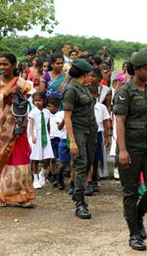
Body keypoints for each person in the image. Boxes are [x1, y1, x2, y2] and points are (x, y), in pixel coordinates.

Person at [113, 49, 147, 251]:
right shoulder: (124, 93)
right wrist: (123, 150)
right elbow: (120, 122)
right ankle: (134, 233)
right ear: (135, 70)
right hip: (131, 147)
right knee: (130, 191)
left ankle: (139, 215)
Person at [0, 53, 35, 207]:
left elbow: (26, 103)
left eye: (5, 64)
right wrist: (5, 94)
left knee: (20, 160)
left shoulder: (22, 83)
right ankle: (2, 196)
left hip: (17, 126)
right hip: (0, 128)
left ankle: (22, 196)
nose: (2, 67)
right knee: (1, 161)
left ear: (14, 65)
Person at [63, 59, 97, 219]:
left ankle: (76, 189)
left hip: (90, 130)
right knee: (82, 164)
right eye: (89, 74)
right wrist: (72, 141)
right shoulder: (71, 90)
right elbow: (67, 117)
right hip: (78, 131)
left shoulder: (84, 88)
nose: (91, 77)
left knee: (89, 162)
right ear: (83, 74)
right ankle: (80, 203)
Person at [85, 85, 110, 194]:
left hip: (98, 133)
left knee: (96, 159)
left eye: (93, 94)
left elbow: (105, 122)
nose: (91, 96)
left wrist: (106, 136)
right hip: (87, 134)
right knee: (88, 158)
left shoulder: (101, 107)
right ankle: (89, 182)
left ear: (97, 95)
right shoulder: (84, 107)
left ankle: (94, 177)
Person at [28, 91, 54, 189]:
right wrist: (33, 136)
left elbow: (48, 124)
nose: (37, 102)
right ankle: (35, 178)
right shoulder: (33, 112)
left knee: (48, 156)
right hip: (36, 135)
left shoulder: (47, 112)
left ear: (44, 101)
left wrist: (49, 134)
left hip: (45, 135)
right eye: (35, 100)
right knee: (35, 158)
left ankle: (42, 172)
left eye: (39, 100)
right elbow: (31, 126)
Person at [46, 97, 65, 189]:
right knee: (52, 158)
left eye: (50, 106)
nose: (49, 108)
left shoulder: (60, 114)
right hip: (51, 138)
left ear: (56, 106)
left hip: (60, 138)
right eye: (48, 106)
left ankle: (58, 174)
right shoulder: (47, 115)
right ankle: (53, 175)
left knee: (60, 159)